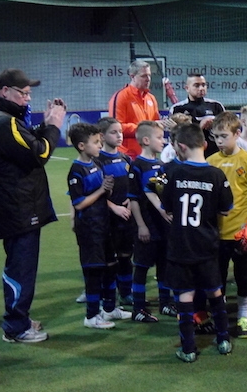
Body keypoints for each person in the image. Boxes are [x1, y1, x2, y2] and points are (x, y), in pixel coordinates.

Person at [0, 68, 65, 343]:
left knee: (20, 267)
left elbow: (27, 143)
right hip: (18, 209)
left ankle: (19, 319)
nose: (28, 98)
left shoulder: (4, 119)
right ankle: (16, 327)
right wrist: (53, 126)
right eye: (23, 93)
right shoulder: (4, 123)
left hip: (17, 206)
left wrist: (44, 125)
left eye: (29, 93)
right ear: (5, 91)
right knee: (21, 268)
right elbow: (40, 153)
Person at [159, 123, 235, 362]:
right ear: (205, 144)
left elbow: (166, 207)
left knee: (185, 295)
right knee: (215, 291)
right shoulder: (216, 174)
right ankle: (223, 340)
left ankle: (189, 349)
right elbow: (226, 209)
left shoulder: (174, 173)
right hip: (207, 245)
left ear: (181, 147)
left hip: (180, 245)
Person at [67, 123, 132, 330]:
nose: (99, 145)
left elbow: (104, 193)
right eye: (95, 142)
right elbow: (79, 203)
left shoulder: (96, 163)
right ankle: (91, 315)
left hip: (104, 225)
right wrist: (102, 190)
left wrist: (108, 189)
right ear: (81, 146)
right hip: (89, 229)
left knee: (111, 266)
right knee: (94, 271)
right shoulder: (76, 171)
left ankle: (110, 308)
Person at [207, 112, 247, 339]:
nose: (219, 141)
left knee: (244, 276)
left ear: (237, 134)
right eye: (215, 137)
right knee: (217, 278)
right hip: (217, 234)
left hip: (242, 232)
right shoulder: (210, 162)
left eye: (223, 136)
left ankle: (244, 316)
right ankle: (219, 316)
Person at [127, 121, 174, 323]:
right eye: (159, 137)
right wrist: (141, 225)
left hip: (163, 226)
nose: (163, 141)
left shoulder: (161, 165)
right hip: (147, 225)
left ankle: (165, 303)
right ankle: (138, 308)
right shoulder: (137, 166)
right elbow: (134, 199)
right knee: (142, 266)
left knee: (164, 264)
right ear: (146, 140)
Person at [96, 117, 135, 305]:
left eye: (120, 131)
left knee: (126, 256)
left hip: (126, 217)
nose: (119, 135)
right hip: (107, 219)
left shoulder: (126, 158)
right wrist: (114, 207)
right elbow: (94, 193)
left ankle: (126, 293)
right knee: (109, 260)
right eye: (114, 132)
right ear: (102, 136)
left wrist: (130, 199)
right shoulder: (97, 161)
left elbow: (133, 185)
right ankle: (105, 296)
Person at [108, 60, 161, 159]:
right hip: (127, 156)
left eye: (149, 75)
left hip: (149, 156)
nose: (148, 79)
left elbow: (155, 125)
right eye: (144, 76)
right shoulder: (121, 97)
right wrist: (144, 129)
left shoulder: (151, 98)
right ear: (132, 76)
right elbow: (116, 128)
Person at [170, 73, 226, 157]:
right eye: (196, 85)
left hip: (215, 155)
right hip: (190, 156)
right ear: (187, 88)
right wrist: (200, 127)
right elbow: (176, 136)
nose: (201, 88)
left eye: (203, 85)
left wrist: (214, 125)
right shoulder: (177, 109)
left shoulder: (216, 106)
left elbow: (226, 130)